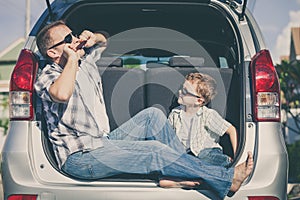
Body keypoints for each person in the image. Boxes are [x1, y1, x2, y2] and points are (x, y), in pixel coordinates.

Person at [34, 20, 253, 199]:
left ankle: (177, 172)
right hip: (80, 157)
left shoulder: (86, 63)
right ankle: (227, 179)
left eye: (73, 34)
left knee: (153, 116)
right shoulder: (47, 76)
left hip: (103, 141)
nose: (75, 40)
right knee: (153, 150)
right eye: (68, 39)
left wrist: (94, 38)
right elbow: (61, 94)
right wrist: (72, 58)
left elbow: (104, 41)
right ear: (53, 53)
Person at [159, 72, 237, 188]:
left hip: (207, 153)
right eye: (181, 88)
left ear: (199, 101)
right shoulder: (175, 114)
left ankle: (225, 162)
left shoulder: (207, 115)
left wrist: (237, 159)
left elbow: (231, 130)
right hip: (187, 156)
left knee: (203, 155)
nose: (180, 92)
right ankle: (183, 181)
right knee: (173, 161)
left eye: (185, 92)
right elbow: (170, 138)